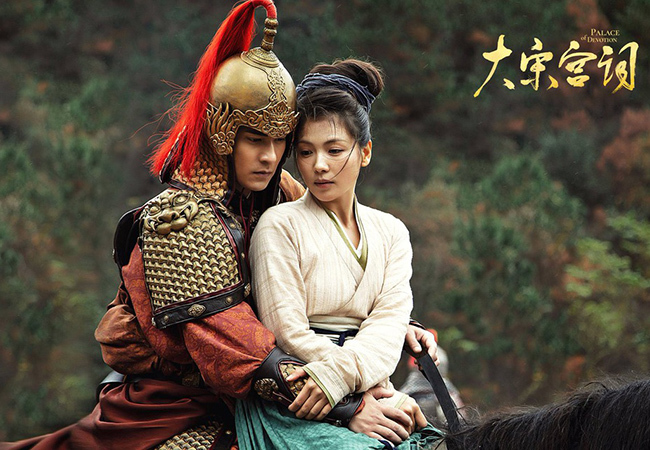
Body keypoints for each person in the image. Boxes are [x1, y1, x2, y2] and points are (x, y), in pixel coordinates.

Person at [3, 1, 437, 449]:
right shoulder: (179, 223)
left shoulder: (280, 191)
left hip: (274, 392)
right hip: (178, 405)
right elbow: (238, 352)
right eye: (255, 139)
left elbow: (330, 269)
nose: (270, 156)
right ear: (222, 133)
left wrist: (393, 326)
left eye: (280, 141)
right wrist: (350, 405)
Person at [235, 59, 444, 449]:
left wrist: (348, 379)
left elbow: (389, 325)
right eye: (305, 152)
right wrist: (343, 389)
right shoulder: (279, 225)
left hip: (364, 384)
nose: (319, 166)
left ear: (365, 152)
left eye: (334, 150)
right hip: (299, 393)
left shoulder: (392, 232)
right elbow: (286, 332)